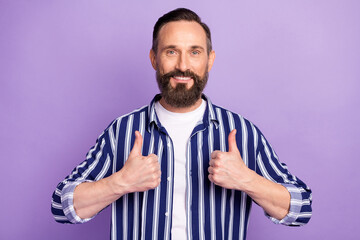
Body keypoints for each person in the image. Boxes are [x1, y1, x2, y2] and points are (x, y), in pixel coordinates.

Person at [51, 8, 312, 240]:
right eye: (171, 51)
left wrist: (247, 180)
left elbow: (301, 208)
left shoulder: (242, 132)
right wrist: (120, 182)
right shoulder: (122, 131)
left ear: (210, 60)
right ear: (154, 58)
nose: (183, 65)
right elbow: (62, 207)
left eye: (194, 52)